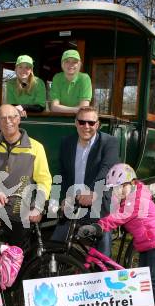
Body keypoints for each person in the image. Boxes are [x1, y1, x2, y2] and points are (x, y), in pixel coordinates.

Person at [78, 163, 155, 306]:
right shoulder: (125, 197)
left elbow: (121, 216)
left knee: (153, 280)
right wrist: (98, 223)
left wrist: (98, 227)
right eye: (115, 188)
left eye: (122, 187)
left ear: (132, 182)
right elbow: (112, 214)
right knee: (142, 280)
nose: (119, 191)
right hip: (145, 243)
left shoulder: (138, 198)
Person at [0, 104, 52, 245]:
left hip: (20, 212)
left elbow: (44, 180)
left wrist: (38, 207)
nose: (8, 121)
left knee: (18, 257)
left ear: (19, 119)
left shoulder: (35, 147)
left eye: (12, 117)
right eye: (2, 118)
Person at [51, 106, 119, 256]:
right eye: (82, 122)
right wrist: (62, 198)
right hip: (73, 203)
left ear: (98, 124)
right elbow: (61, 173)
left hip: (98, 203)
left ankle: (102, 274)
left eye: (91, 122)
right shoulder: (66, 142)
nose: (86, 126)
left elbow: (107, 170)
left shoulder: (109, 142)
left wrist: (94, 192)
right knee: (54, 248)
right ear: (75, 123)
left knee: (102, 253)